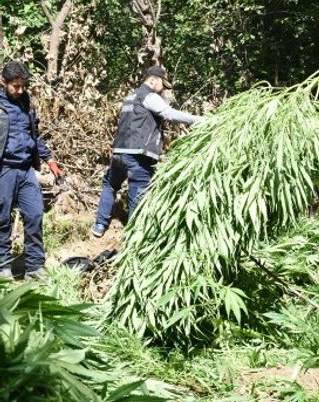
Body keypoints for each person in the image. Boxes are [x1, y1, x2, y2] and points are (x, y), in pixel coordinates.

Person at [91, 65, 203, 237]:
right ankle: (135, 236)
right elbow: (169, 114)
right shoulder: (148, 96)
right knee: (138, 193)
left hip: (119, 153)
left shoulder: (131, 96)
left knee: (110, 184)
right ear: (152, 79)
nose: (164, 89)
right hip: (138, 156)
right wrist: (199, 120)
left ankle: (99, 225)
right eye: (162, 84)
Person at [0, 61, 64, 280]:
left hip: (27, 169)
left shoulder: (26, 102)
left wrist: (50, 159)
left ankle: (35, 267)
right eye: (15, 86)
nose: (20, 91)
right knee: (2, 219)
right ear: (3, 82)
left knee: (35, 215)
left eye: (23, 86)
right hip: (4, 169)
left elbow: (34, 134)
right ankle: (3, 268)